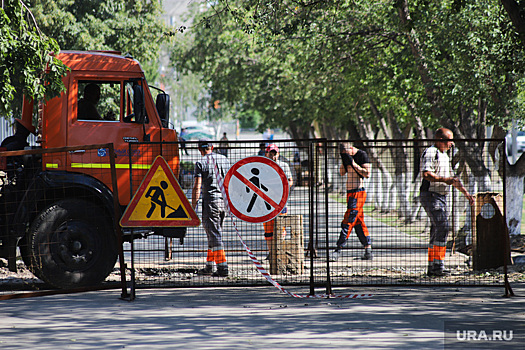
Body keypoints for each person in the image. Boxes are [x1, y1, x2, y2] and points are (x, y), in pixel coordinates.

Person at [419, 128, 474, 277]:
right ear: (441, 140)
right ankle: (438, 266)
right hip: (431, 195)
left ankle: (434, 266)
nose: (452, 144)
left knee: (437, 229)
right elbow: (426, 174)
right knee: (443, 227)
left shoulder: (444, 155)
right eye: (450, 141)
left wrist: (467, 194)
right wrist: (445, 180)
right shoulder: (431, 152)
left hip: (441, 196)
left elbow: (453, 179)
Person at [192, 139, 231, 277]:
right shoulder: (225, 160)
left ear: (199, 149)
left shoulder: (200, 163)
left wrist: (193, 205)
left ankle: (222, 267)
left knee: (214, 235)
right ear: (212, 147)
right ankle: (210, 266)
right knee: (213, 233)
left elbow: (197, 186)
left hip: (210, 202)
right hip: (223, 202)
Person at [330, 142, 372, 261]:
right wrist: (344, 162)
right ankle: (368, 249)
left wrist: (353, 163)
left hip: (358, 192)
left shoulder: (362, 155)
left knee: (348, 220)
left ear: (351, 149)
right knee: (358, 221)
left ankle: (338, 248)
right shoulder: (345, 156)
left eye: (347, 153)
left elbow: (367, 174)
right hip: (350, 193)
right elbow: (342, 173)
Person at [263, 144, 293, 260]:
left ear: (278, 154)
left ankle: (279, 252)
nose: (273, 156)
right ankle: (271, 253)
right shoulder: (263, 166)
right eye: (270, 153)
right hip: (266, 203)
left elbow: (290, 181)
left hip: (281, 202)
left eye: (275, 153)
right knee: (268, 230)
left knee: (281, 228)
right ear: (266, 154)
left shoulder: (284, 166)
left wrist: (283, 188)